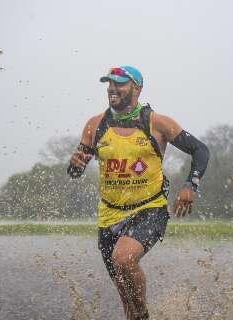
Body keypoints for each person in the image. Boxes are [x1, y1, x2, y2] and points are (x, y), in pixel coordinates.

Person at [67, 65, 209, 320]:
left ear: (137, 88)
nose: (113, 88)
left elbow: (200, 150)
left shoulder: (156, 123)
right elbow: (76, 169)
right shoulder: (95, 125)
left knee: (123, 259)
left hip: (148, 209)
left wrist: (191, 185)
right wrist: (74, 165)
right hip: (109, 216)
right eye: (110, 83)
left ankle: (145, 317)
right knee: (126, 298)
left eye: (120, 84)